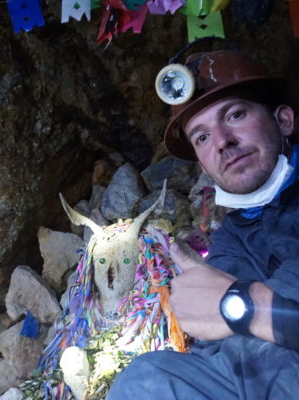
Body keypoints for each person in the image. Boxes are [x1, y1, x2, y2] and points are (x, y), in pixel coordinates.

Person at [106, 49, 299, 399]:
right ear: (202, 165)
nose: (222, 142)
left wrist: (239, 305)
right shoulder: (231, 242)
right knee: (144, 381)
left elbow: (237, 314)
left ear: (284, 120)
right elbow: (220, 353)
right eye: (202, 137)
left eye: (235, 115)